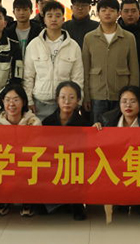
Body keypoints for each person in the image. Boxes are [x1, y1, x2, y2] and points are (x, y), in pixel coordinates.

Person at [94, 86, 140, 223]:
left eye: (133, 101)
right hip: (116, 164)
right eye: (124, 101)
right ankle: (121, 200)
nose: (128, 105)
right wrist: (95, 129)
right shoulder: (107, 120)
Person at [23, 0, 84, 120]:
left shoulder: (73, 46)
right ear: (44, 19)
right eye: (49, 16)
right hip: (39, 103)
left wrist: (78, 101)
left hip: (64, 104)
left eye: (57, 16)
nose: (53, 19)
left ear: (63, 19)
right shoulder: (34, 45)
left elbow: (77, 77)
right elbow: (28, 76)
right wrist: (28, 100)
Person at [82, 0, 139, 123]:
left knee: (120, 129)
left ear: (118, 13)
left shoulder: (128, 37)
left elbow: (134, 69)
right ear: (97, 13)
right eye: (103, 10)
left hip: (122, 95)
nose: (107, 13)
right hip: (97, 94)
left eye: (112, 10)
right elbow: (85, 69)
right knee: (98, 130)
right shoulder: (89, 38)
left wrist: (133, 96)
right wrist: (86, 96)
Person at [41, 81, 90, 220]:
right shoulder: (47, 122)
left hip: (74, 165)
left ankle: (77, 204)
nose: (67, 101)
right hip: (53, 163)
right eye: (63, 97)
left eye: (71, 97)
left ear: (78, 100)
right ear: (57, 99)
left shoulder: (85, 124)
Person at [0, 84, 41, 217]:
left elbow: (37, 147)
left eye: (16, 99)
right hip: (6, 163)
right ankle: (5, 199)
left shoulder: (34, 122)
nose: (11, 104)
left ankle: (27, 200)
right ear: (2, 102)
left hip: (27, 161)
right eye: (7, 100)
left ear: (23, 102)